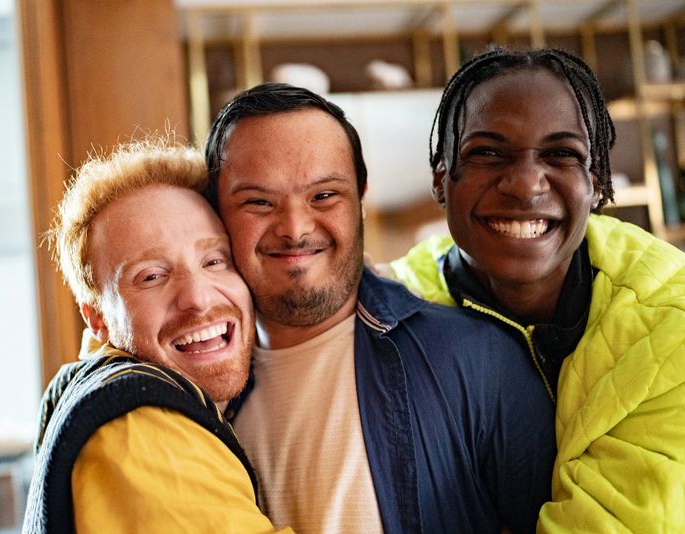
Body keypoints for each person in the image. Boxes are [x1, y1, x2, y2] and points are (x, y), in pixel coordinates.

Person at [204, 82, 557, 533]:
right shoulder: (195, 396)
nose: (294, 229)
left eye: (324, 196)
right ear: (216, 211)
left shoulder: (479, 359)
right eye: (258, 201)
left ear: (361, 200)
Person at [389, 47, 685, 532]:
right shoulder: (392, 312)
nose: (525, 185)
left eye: (560, 154)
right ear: (442, 179)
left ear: (596, 182)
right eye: (487, 151)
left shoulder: (670, 320)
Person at [22, 137, 290, 533]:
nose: (198, 298)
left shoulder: (94, 387)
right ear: (98, 320)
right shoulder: (140, 428)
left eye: (214, 260)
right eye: (151, 277)